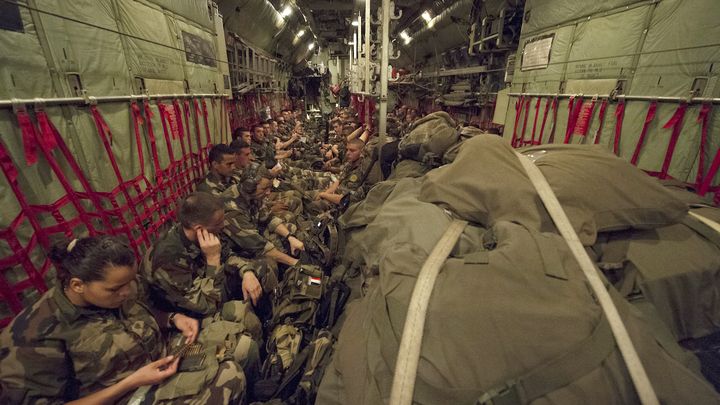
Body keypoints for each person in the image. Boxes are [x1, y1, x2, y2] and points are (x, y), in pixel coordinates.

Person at [0, 235, 245, 404]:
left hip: (160, 361)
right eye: (116, 289)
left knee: (240, 343)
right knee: (229, 376)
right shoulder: (32, 336)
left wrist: (172, 318)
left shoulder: (116, 290)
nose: (127, 292)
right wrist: (130, 383)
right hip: (126, 394)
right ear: (77, 285)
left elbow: (137, 315)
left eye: (130, 282)